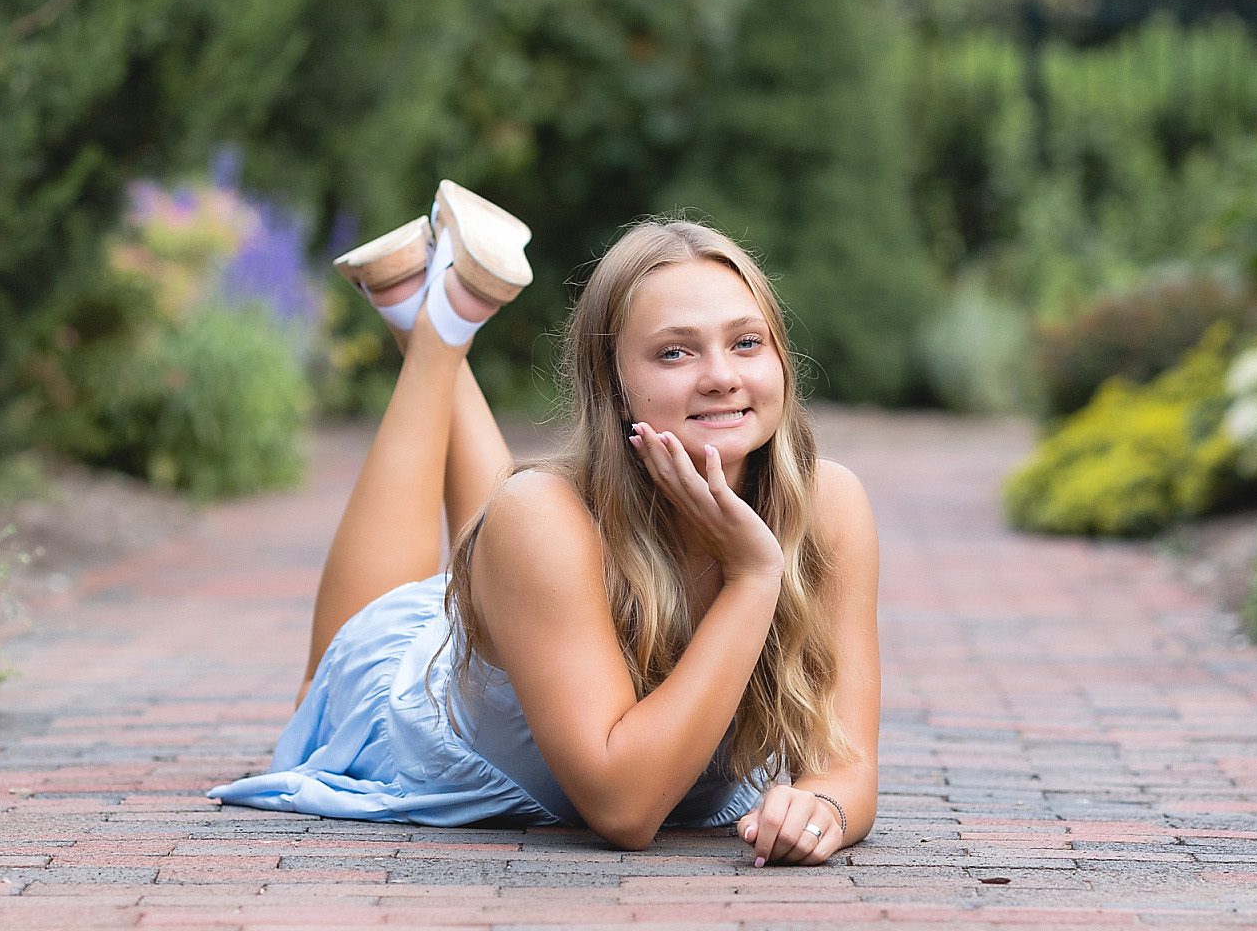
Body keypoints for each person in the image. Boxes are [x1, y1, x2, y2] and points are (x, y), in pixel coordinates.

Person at [209, 181, 880, 865]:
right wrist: (752, 574)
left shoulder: (829, 506)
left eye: (746, 343)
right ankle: (436, 334)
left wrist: (822, 806)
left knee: (521, 523)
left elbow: (849, 768)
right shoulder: (543, 520)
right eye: (675, 352)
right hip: (414, 711)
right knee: (335, 671)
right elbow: (625, 807)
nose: (720, 375)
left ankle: (426, 304)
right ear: (612, 383)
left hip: (525, 596)